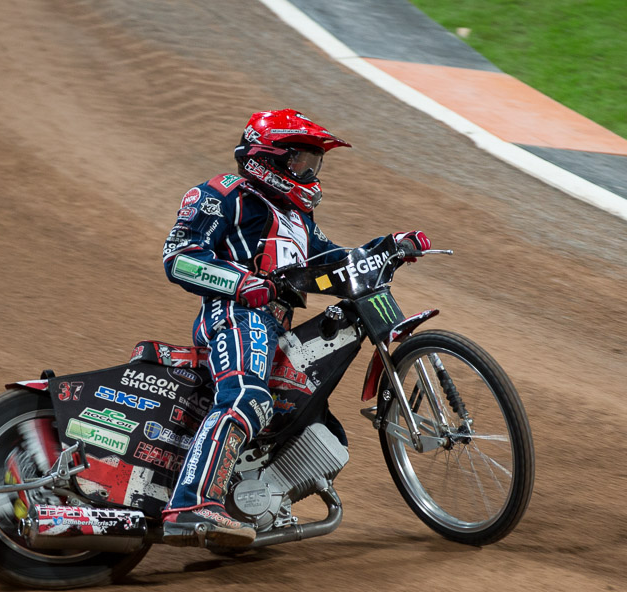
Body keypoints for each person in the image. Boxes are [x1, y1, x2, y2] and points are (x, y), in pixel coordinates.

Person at [160, 109, 430, 547]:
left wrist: (389, 246)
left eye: (314, 162)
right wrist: (241, 282)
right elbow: (179, 258)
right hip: (235, 315)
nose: (310, 171)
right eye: (300, 160)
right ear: (268, 158)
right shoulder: (223, 193)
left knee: (310, 422)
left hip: (276, 329)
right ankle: (191, 504)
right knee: (247, 397)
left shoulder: (298, 218)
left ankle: (252, 505)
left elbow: (334, 262)